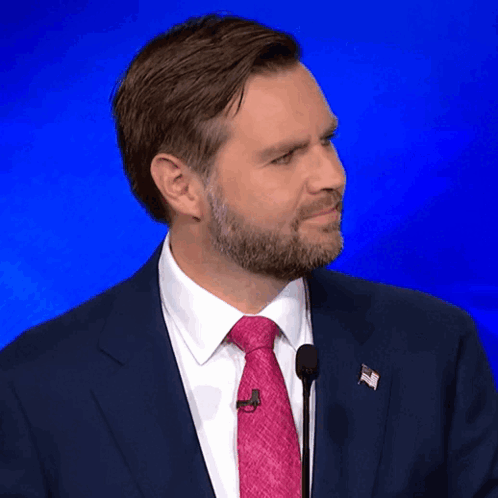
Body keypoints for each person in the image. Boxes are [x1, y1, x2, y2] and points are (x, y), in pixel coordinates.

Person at [1, 12, 497, 498]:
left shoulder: (434, 348)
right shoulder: (34, 388)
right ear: (180, 185)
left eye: (327, 141)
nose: (332, 177)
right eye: (284, 157)